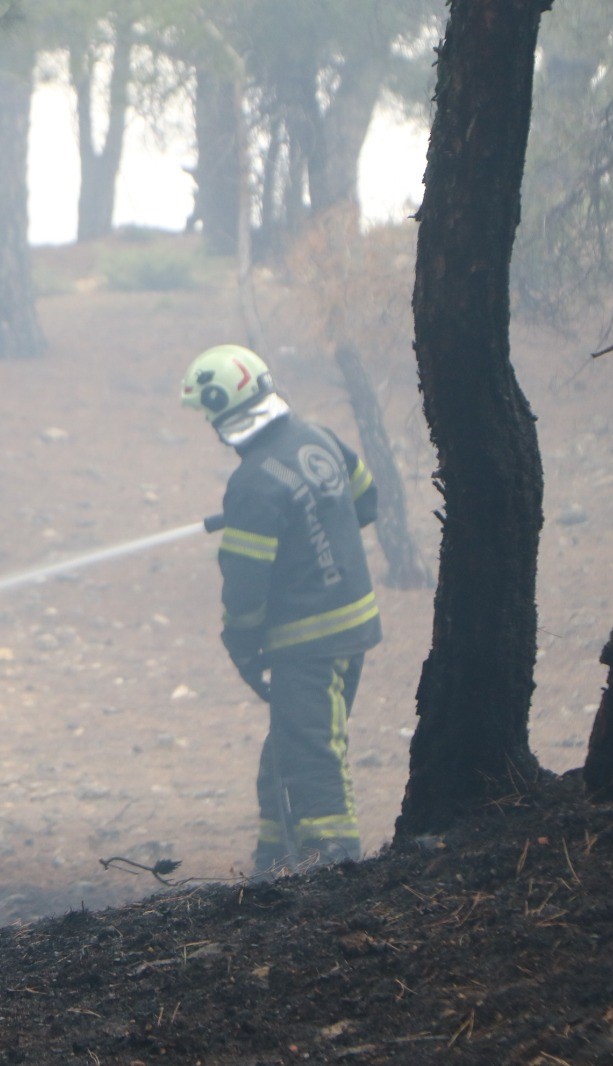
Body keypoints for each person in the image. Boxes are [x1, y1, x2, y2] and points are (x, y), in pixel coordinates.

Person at [180, 344, 381, 875]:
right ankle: (274, 862)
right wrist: (305, 516)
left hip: (306, 644)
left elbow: (245, 586)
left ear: (224, 409)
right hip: (351, 627)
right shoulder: (318, 437)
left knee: (312, 753)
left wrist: (241, 644)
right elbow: (366, 502)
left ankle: (331, 868)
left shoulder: (252, 483)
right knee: (288, 750)